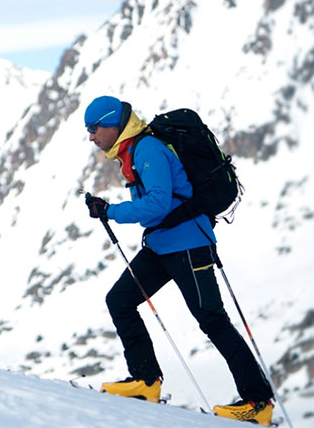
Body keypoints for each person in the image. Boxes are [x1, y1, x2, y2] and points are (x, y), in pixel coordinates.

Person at [83, 95, 273, 424]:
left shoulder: (148, 149)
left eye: (94, 128)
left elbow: (157, 203)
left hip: (187, 244)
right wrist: (108, 209)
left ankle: (259, 402)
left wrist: (112, 211)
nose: (91, 136)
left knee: (213, 320)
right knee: (120, 300)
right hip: (163, 244)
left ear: (113, 124)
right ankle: (145, 381)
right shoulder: (131, 152)